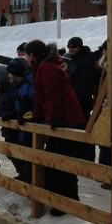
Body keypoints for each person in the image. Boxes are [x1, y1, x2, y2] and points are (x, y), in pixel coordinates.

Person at [23, 39, 85, 212]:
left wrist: (56, 117)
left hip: (67, 120)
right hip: (61, 119)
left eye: (27, 55)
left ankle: (66, 200)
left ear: (32, 55)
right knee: (55, 160)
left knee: (59, 161)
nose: (26, 59)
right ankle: (65, 198)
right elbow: (41, 95)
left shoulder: (47, 67)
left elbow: (52, 94)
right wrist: (37, 115)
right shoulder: (41, 66)